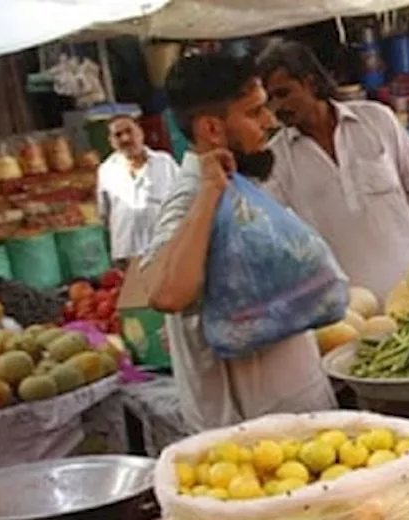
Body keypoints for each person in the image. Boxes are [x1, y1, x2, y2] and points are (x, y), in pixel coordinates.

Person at [143, 52, 336, 431]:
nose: (270, 122)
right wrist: (210, 190)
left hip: (301, 421)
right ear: (212, 130)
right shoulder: (191, 199)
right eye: (254, 113)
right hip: (251, 444)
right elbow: (165, 294)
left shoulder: (244, 187)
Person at [256, 40, 409, 300]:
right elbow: (274, 237)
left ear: (310, 83)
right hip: (351, 308)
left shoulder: (377, 120)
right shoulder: (275, 158)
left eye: (284, 93)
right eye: (270, 100)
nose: (277, 107)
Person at [96, 115, 180, 263]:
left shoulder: (165, 163)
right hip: (127, 253)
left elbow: (184, 199)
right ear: (111, 141)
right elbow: (105, 213)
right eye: (118, 135)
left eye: (129, 131)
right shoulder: (106, 170)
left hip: (166, 248)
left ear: (140, 133)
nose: (125, 139)